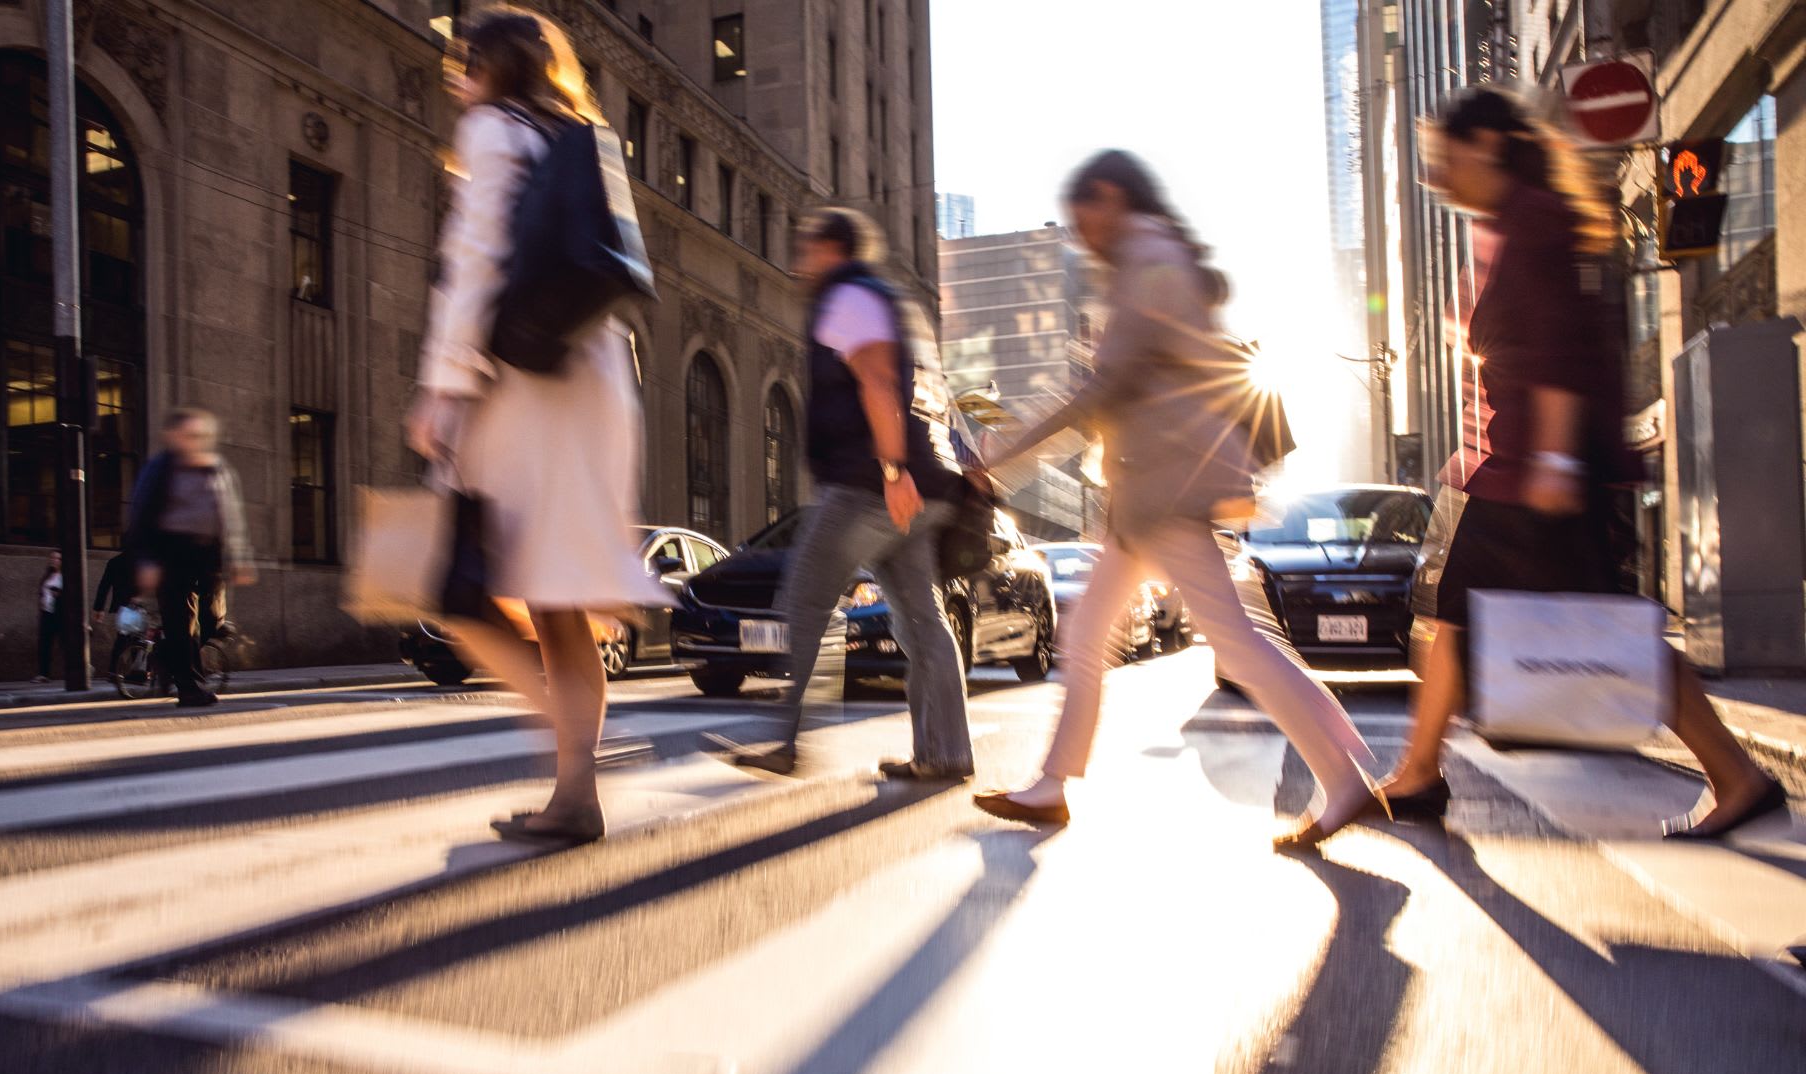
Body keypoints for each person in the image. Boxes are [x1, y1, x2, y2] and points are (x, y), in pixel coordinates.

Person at [1381, 88, 1785, 840]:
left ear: (1490, 145)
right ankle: (1422, 770)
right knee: (1467, 614)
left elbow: (1557, 347)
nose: (1437, 176)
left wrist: (1559, 461)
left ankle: (1422, 772)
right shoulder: (1504, 224)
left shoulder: (1531, 219)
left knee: (1476, 614)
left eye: (1446, 157)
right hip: (1514, 465)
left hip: (1537, 470)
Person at [971, 150, 1383, 851]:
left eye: (1083, 218)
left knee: (1236, 644)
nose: (1082, 235)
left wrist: (999, 455)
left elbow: (1104, 388)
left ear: (1110, 197)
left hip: (1168, 495)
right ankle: (1052, 785)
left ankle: (1345, 774)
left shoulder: (1148, 260)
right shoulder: (1150, 258)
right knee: (1089, 635)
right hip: (1146, 494)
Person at [405, 7, 664, 845]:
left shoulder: (489, 131)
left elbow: (475, 262)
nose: (456, 76)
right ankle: (576, 790)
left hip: (522, 389)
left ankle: (576, 772)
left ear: (489, 65)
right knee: (551, 599)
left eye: (463, 61)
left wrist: (441, 388)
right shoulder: (573, 132)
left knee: (469, 593)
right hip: (591, 376)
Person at [728, 207, 974, 780]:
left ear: (831, 249)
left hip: (869, 485)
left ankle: (787, 742)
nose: (801, 259)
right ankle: (945, 752)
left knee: (806, 601)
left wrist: (891, 470)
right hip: (919, 482)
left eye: (807, 246)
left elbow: (878, 379)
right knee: (922, 622)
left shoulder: (849, 294)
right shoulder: (887, 300)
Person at [125, 408, 255, 709]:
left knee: (212, 621)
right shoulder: (160, 468)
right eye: (189, 435)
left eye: (201, 436)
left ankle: (166, 654)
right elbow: (141, 514)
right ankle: (191, 689)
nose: (196, 441)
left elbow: (231, 514)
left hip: (210, 554)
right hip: (172, 551)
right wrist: (145, 560)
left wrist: (239, 556)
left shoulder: (217, 468)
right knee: (182, 624)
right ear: (172, 437)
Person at [91, 550, 137, 678]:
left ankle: (115, 670)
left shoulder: (115, 562)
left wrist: (99, 608)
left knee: (124, 638)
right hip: (138, 605)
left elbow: (104, 586)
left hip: (122, 605)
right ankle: (132, 670)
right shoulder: (140, 560)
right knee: (135, 639)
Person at [33, 551, 63, 683]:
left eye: (57, 558)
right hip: (47, 613)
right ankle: (43, 674)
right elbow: (42, 592)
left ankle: (84, 668)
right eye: (52, 558)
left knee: (66, 645)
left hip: (60, 614)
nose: (54, 560)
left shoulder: (65, 576)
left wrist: (59, 594)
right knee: (44, 644)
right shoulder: (48, 576)